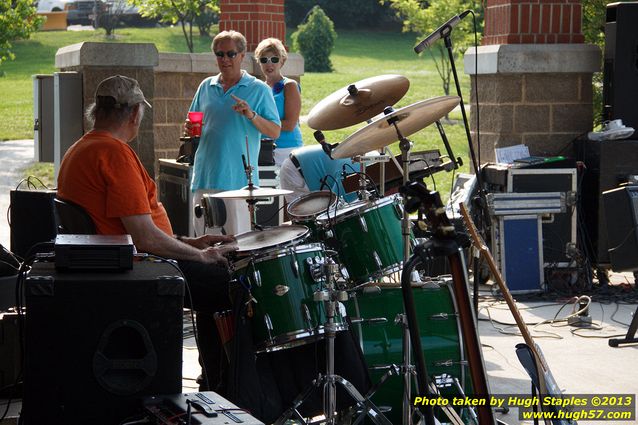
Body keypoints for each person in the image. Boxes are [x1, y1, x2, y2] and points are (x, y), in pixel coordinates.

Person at [57, 75, 237, 394]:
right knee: (235, 288)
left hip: (128, 261)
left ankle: (214, 380)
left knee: (216, 287)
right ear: (135, 113)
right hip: (142, 269)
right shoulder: (114, 154)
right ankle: (233, 387)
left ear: (95, 112)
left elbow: (134, 228)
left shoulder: (81, 148)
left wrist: (188, 242)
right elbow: (145, 239)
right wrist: (200, 255)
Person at [185, 30, 281, 236]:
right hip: (204, 178)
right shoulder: (206, 86)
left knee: (237, 246)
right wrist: (189, 129)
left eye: (230, 54)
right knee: (204, 248)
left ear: (242, 55)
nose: (225, 59)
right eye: (220, 54)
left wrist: (251, 114)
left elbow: (275, 131)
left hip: (239, 182)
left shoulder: (259, 89)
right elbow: (194, 123)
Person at [254, 38, 303, 166]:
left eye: (274, 59)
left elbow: (290, 124)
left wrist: (258, 122)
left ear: (282, 61)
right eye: (264, 60)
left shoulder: (290, 85)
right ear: (259, 63)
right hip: (262, 149)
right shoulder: (259, 89)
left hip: (287, 149)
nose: (269, 64)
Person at [279, 144, 358, 203]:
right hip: (296, 169)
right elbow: (334, 206)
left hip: (308, 164)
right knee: (304, 219)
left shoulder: (361, 168)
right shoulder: (352, 178)